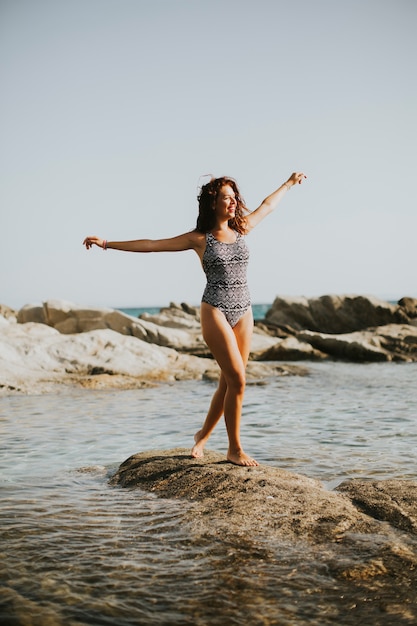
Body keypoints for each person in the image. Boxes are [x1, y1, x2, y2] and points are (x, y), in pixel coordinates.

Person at [83, 171, 306, 466]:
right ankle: (234, 449)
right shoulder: (199, 238)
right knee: (238, 379)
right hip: (214, 308)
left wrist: (288, 184)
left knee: (228, 382)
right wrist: (108, 243)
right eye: (226, 198)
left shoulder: (242, 228)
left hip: (244, 311)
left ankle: (202, 435)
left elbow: (267, 206)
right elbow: (152, 244)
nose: (233, 202)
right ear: (213, 203)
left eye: (234, 197)